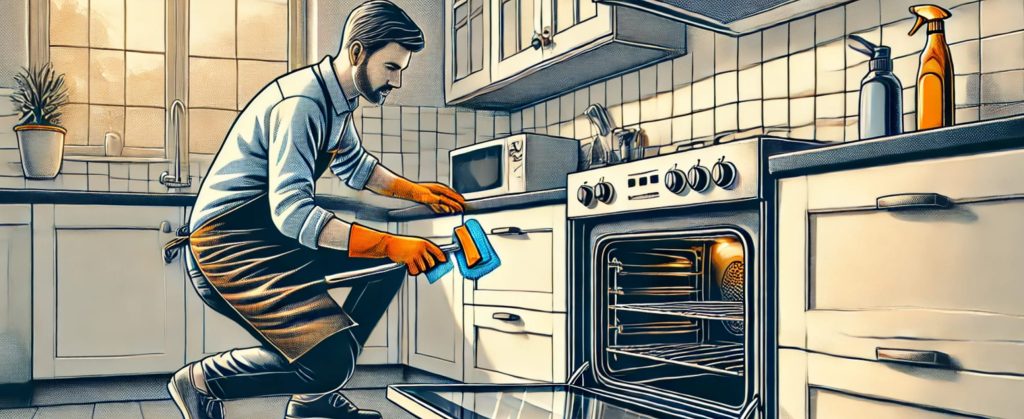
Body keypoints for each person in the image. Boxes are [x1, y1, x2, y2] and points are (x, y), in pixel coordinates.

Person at [162, 2, 466, 418]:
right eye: (391, 68)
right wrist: (390, 243)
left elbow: (355, 166)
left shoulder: (337, 99)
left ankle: (314, 399)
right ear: (357, 53)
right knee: (329, 363)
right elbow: (292, 212)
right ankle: (200, 381)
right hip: (228, 247)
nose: (396, 81)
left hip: (269, 239)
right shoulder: (302, 102)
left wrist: (417, 192)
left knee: (387, 268)